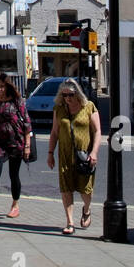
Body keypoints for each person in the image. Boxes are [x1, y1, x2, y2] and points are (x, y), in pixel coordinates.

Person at [47, 78, 101, 235]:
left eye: (70, 94)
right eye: (64, 95)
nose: (67, 98)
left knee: (85, 189)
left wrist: (94, 152)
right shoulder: (59, 109)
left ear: (77, 93)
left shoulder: (89, 107)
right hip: (64, 154)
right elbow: (54, 132)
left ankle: (87, 209)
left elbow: (97, 131)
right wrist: (50, 153)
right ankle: (70, 222)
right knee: (66, 188)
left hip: (84, 155)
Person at [0, 73, 32, 220]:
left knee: (13, 174)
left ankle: (15, 205)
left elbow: (27, 123)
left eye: (2, 86)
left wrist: (27, 145)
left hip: (15, 141)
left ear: (7, 86)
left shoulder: (17, 100)